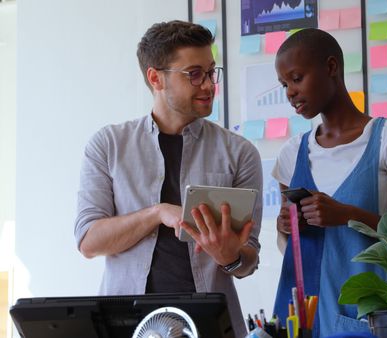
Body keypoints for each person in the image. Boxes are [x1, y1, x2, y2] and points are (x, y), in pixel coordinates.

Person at [73, 20, 262, 337]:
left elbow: (249, 259)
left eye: (211, 72)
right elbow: (89, 242)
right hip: (125, 325)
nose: (208, 85)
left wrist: (229, 257)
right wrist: (158, 212)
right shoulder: (107, 145)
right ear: (155, 78)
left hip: (210, 325)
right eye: (194, 74)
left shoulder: (240, 152)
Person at [271, 28, 387, 337]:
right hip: (301, 317)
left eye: (297, 79)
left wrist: (347, 216)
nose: (289, 92)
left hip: (364, 314)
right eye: (284, 84)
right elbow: (287, 244)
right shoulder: (291, 153)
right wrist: (286, 226)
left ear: (331, 67)